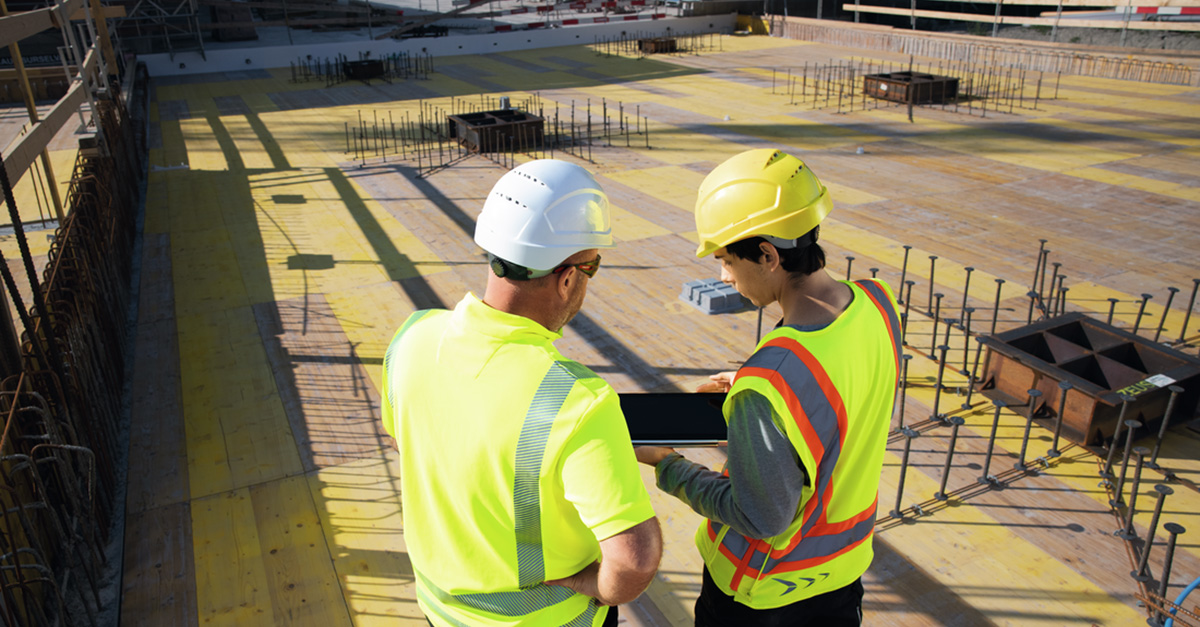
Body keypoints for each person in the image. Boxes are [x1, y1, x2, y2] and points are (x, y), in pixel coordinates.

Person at [380, 159, 663, 627]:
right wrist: (595, 587)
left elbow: (408, 442)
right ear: (568, 277)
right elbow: (635, 560)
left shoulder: (410, 337)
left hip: (438, 613)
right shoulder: (577, 400)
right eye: (593, 264)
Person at [635, 148, 901, 626]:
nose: (723, 276)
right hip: (844, 576)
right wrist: (753, 390)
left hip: (765, 595)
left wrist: (667, 463)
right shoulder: (879, 305)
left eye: (726, 260)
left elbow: (762, 518)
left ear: (768, 255)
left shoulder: (773, 379)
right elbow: (846, 394)